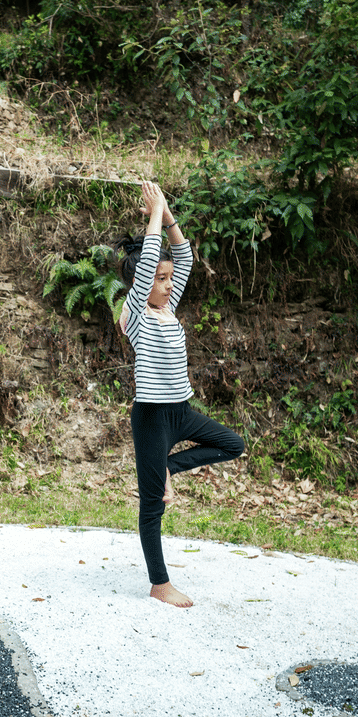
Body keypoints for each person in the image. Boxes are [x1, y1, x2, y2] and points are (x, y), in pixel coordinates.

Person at [118, 180, 245, 608]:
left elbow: (184, 256)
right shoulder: (135, 313)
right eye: (158, 279)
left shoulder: (167, 308)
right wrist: (153, 214)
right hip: (152, 417)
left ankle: (167, 466)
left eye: (170, 280)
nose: (168, 285)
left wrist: (168, 214)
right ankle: (159, 584)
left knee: (232, 444)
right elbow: (151, 258)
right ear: (140, 282)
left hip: (181, 412)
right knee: (153, 505)